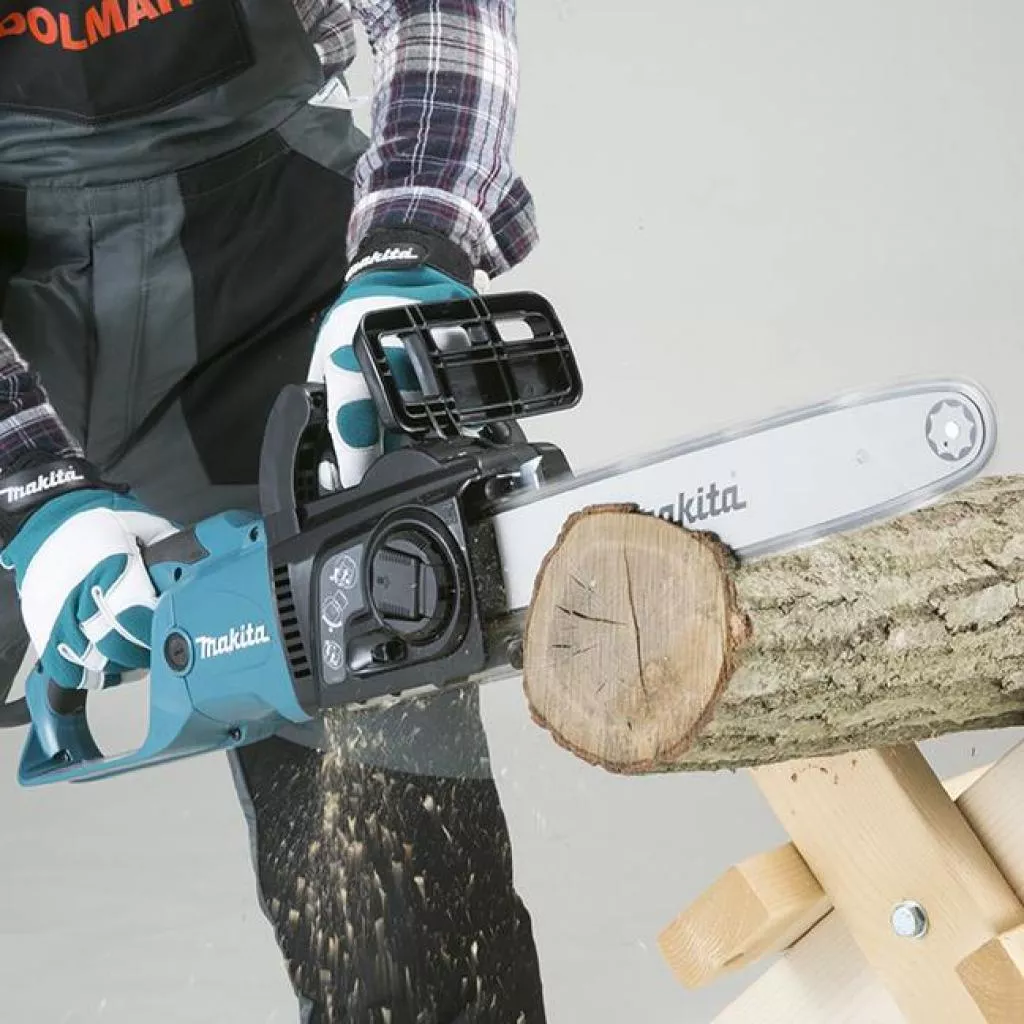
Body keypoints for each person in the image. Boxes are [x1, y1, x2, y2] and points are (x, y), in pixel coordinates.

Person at [0, 2, 547, 1021]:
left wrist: (414, 243)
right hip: (18, 327)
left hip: (267, 279)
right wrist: (25, 483)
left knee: (391, 839)